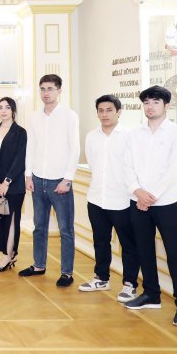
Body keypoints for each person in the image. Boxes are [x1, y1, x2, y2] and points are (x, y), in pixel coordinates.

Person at [123, 85, 177, 328]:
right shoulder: (134, 134)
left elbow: (176, 167)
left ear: (166, 105)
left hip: (167, 203)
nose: (150, 107)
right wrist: (137, 192)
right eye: (146, 102)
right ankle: (151, 294)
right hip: (138, 202)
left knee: (175, 253)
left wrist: (150, 196)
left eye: (155, 102)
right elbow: (127, 166)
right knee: (144, 249)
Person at [20, 74, 80, 288]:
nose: (46, 93)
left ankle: (67, 272)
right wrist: (28, 175)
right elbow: (30, 146)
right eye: (43, 89)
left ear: (59, 91)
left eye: (50, 89)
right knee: (39, 227)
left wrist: (68, 179)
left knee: (65, 230)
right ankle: (39, 265)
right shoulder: (35, 116)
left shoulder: (69, 116)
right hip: (37, 179)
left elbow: (75, 149)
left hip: (60, 182)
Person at [78, 94, 139, 302]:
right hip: (96, 198)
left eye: (109, 110)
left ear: (119, 112)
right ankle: (101, 278)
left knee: (128, 244)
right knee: (100, 241)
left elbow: (134, 167)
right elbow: (93, 164)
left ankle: (130, 284)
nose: (105, 114)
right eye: (101, 110)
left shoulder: (129, 136)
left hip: (122, 200)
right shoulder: (91, 136)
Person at [0, 97, 27, 272]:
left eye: (7, 107)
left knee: (11, 221)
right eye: (0, 107)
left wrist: (7, 182)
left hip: (13, 186)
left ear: (13, 110)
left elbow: (20, 159)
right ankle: (11, 253)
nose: (3, 110)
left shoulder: (20, 132)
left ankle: (7, 257)